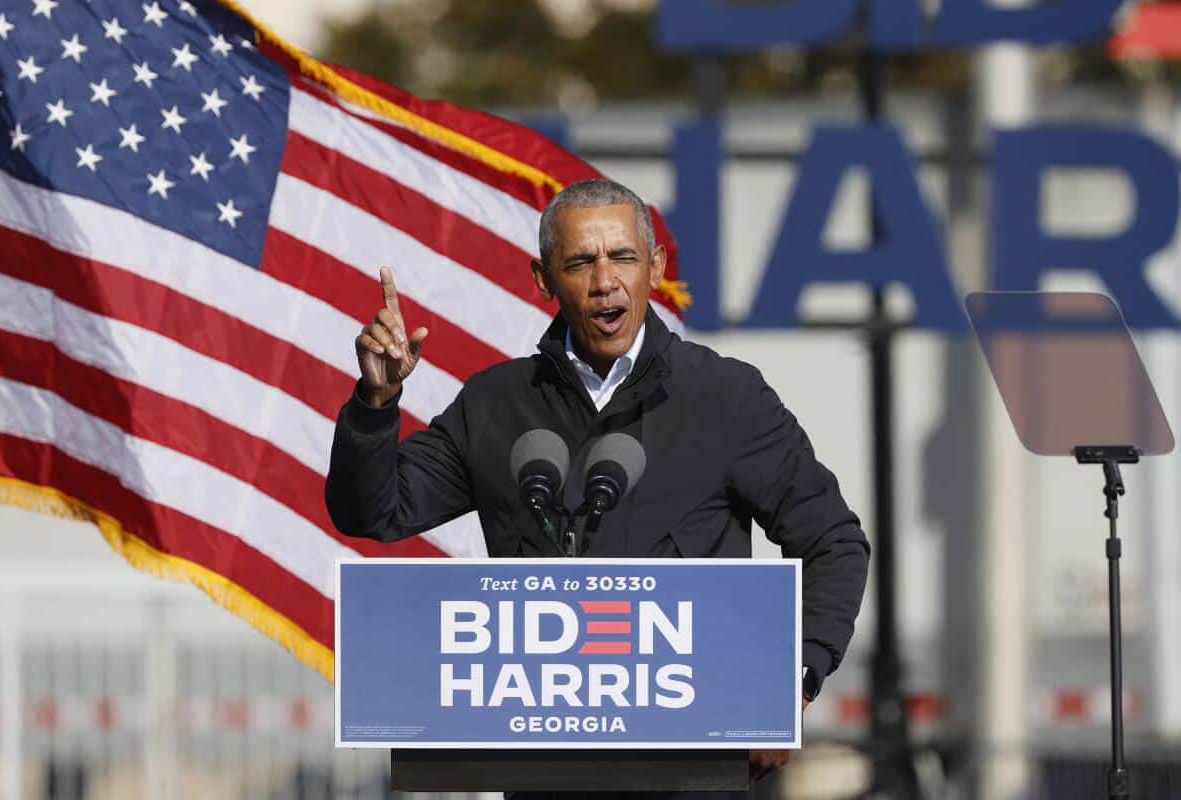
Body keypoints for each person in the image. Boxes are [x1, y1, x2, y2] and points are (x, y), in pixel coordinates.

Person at [325, 179, 870, 796]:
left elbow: (834, 542)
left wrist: (787, 683)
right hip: (546, 775)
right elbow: (371, 510)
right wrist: (375, 403)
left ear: (656, 266)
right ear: (543, 278)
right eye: (581, 262)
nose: (605, 280)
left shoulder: (726, 397)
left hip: (690, 775)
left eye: (624, 258)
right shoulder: (497, 404)